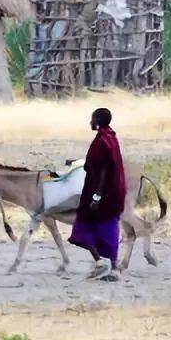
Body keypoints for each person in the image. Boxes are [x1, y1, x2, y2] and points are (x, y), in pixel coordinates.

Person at [69, 108, 126, 281]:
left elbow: (103, 170)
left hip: (99, 191)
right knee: (109, 228)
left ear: (98, 120)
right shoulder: (111, 137)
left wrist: (97, 196)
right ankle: (114, 268)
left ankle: (100, 262)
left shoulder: (102, 141)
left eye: (92, 119)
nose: (90, 122)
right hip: (115, 192)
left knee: (83, 226)